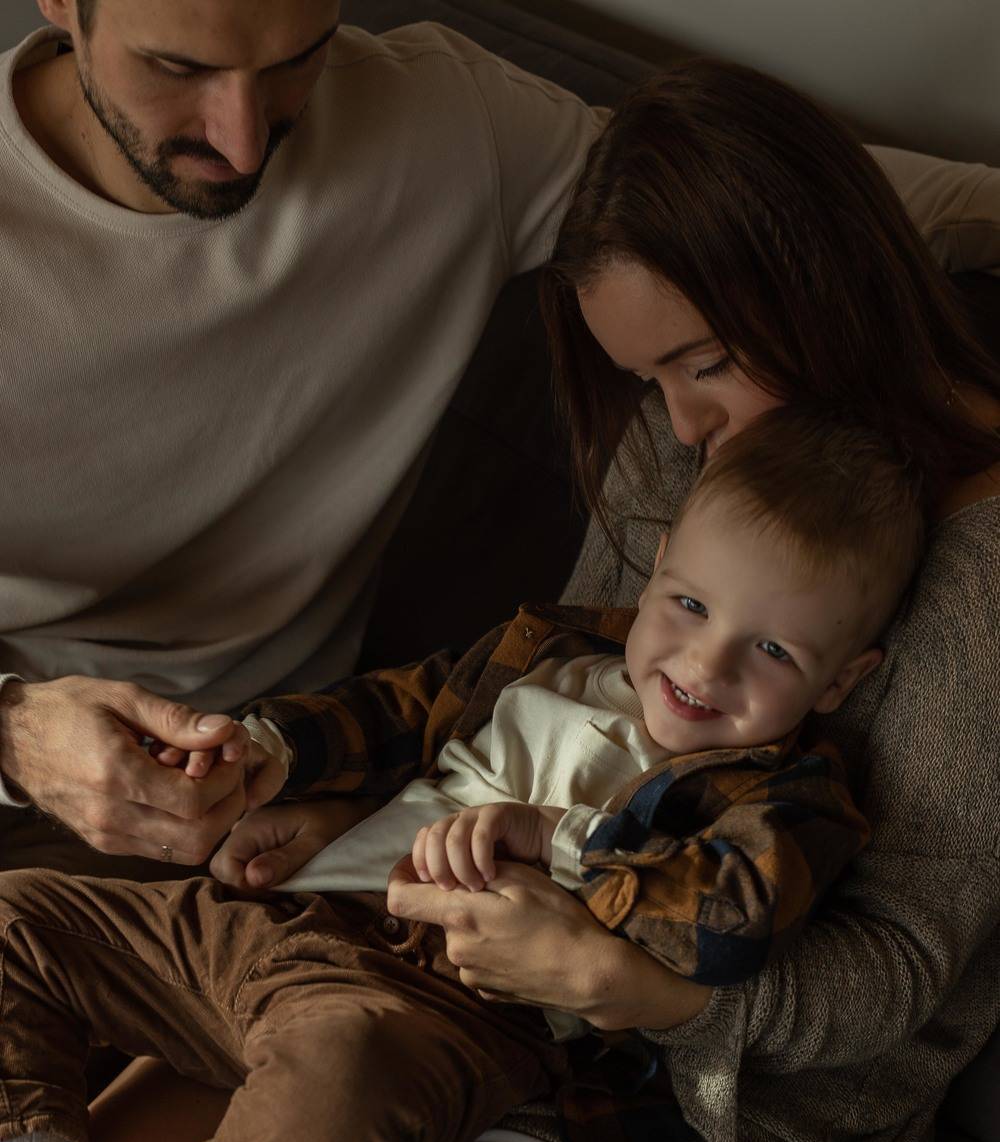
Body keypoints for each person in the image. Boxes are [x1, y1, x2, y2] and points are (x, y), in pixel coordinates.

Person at [2, 50, 1000, 1142]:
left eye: (701, 363)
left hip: (692, 1121)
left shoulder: (981, 584)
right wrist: (340, 809)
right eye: (647, 379)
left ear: (817, 284)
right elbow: (551, 706)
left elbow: (900, 973)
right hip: (424, 967)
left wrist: (637, 988)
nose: (680, 426)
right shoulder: (700, 449)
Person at [0, 409, 921, 1142]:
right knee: (17, 917)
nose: (705, 667)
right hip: (289, 922)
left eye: (772, 651)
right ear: (655, 568)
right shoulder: (551, 648)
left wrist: (552, 837)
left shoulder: (786, 799)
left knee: (334, 1091)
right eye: (690, 605)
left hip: (428, 1007)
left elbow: (728, 919)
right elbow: (399, 708)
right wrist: (266, 749)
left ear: (843, 679)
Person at [0, 0, 997, 881]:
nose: (246, 140)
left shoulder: (450, 122)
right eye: (178, 67)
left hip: (292, 765)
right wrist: (16, 738)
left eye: (295, 60)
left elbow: (782, 214)